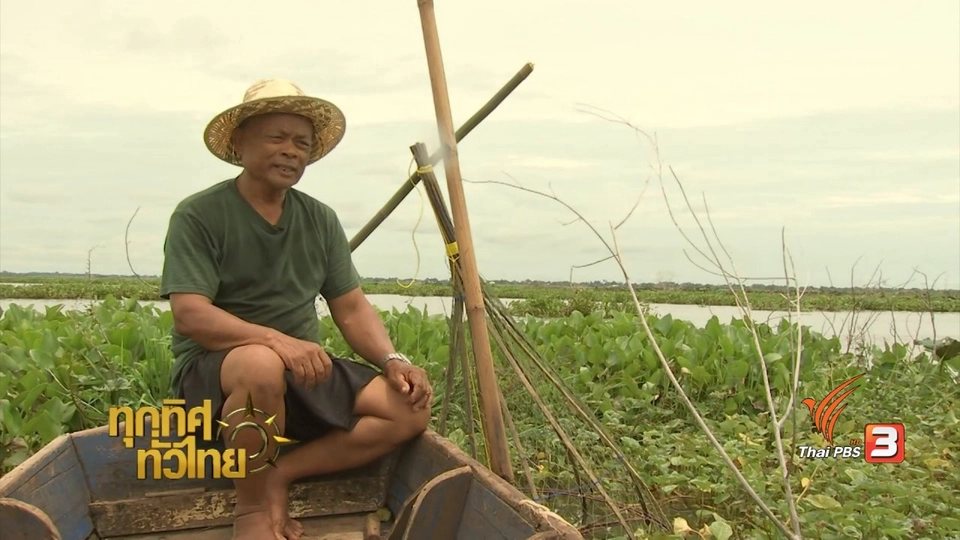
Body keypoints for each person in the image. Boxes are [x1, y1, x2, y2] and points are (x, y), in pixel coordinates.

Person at [159, 78, 433, 540]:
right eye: (276, 138)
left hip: (300, 372)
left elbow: (350, 307)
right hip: (217, 377)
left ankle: (279, 474)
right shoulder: (200, 214)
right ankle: (251, 512)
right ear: (241, 143)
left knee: (407, 411)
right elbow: (191, 315)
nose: (291, 151)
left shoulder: (319, 219)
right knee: (261, 362)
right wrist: (274, 340)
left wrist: (392, 361)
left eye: (301, 143)